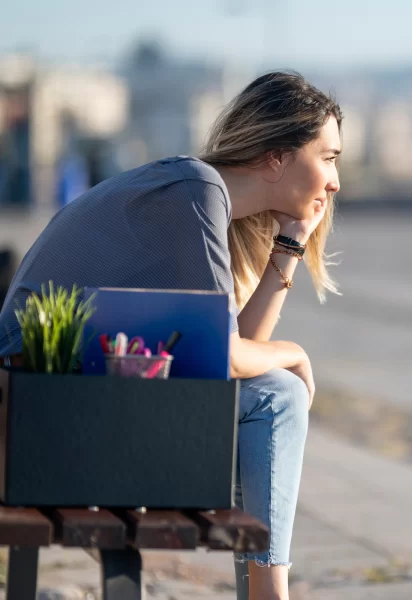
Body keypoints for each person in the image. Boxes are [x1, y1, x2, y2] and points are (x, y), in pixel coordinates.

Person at [0, 70, 343, 600]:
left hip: (61, 394)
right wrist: (293, 353)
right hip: (39, 401)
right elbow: (231, 358)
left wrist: (289, 245)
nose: (335, 181)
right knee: (277, 396)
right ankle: (269, 592)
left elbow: (224, 350)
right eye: (329, 157)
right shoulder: (197, 191)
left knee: (271, 394)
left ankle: (264, 589)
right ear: (277, 156)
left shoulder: (197, 193)